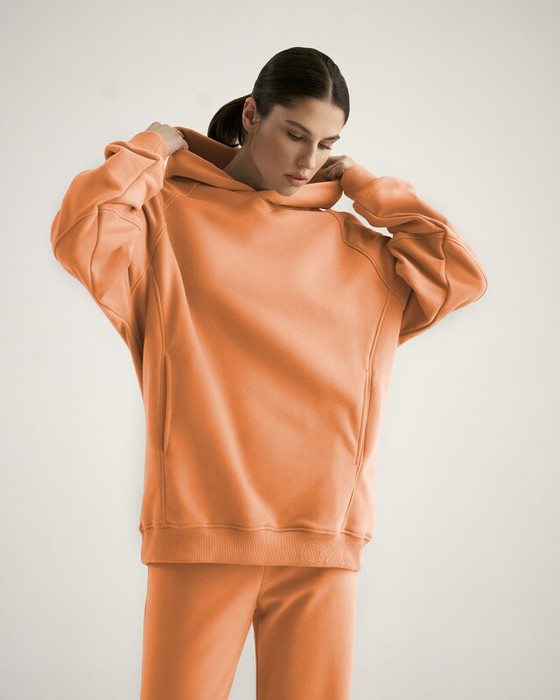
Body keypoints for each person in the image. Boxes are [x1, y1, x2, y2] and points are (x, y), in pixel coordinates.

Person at [50, 46, 488, 700]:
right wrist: (152, 148)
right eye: (294, 133)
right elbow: (82, 229)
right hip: (200, 534)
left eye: (326, 144)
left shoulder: (357, 251)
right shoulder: (165, 223)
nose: (308, 160)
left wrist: (364, 186)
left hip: (321, 540)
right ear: (253, 115)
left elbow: (459, 274)